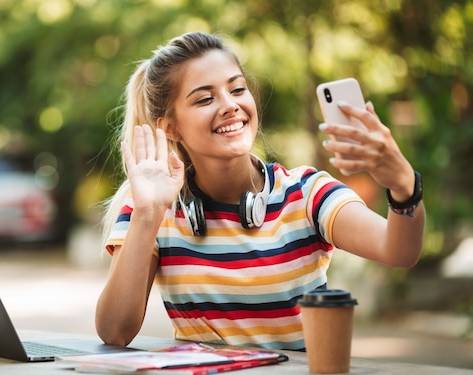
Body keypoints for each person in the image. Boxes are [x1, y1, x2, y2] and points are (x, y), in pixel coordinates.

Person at [95, 32, 425, 350]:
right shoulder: (152, 205)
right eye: (206, 98)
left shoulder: (306, 193)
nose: (230, 106)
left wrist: (403, 186)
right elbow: (114, 332)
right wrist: (148, 215)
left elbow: (399, 252)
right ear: (171, 127)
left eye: (237, 90)